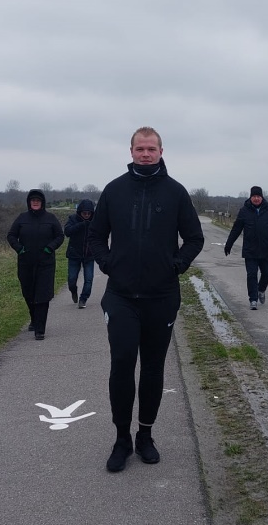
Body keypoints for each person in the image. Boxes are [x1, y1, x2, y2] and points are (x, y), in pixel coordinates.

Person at [88, 127, 205, 472]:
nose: (145, 154)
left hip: (161, 297)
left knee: (153, 367)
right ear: (131, 151)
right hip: (121, 296)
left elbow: (194, 238)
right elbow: (95, 236)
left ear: (161, 151)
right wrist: (107, 263)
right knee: (122, 363)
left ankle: (145, 435)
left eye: (151, 149)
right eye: (140, 149)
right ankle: (121, 439)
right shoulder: (114, 190)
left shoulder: (175, 192)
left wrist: (177, 265)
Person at [6, 189, 64, 341]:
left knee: (42, 295)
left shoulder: (51, 218)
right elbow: (11, 236)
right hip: (26, 263)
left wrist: (50, 247)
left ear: (42, 202)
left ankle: (40, 329)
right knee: (29, 294)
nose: (35, 202)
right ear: (29, 202)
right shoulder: (22, 218)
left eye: (38, 200)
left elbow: (60, 236)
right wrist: (19, 249)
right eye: (33, 200)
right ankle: (34, 318)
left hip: (45, 264)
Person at [224, 186, 268, 310]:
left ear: (261, 197)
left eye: (258, 196)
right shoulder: (244, 211)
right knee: (251, 274)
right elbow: (236, 229)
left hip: (266, 248)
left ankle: (261, 290)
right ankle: (253, 299)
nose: (256, 199)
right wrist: (229, 244)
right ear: (250, 197)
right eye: (254, 196)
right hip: (250, 249)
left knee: (267, 273)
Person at [63, 198, 96, 309]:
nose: (87, 215)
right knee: (71, 280)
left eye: (89, 213)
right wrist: (82, 225)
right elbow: (67, 232)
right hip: (74, 254)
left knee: (89, 279)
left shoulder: (95, 221)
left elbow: (100, 234)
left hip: (89, 255)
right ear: (80, 212)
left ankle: (83, 299)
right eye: (84, 213)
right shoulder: (73, 219)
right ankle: (73, 291)